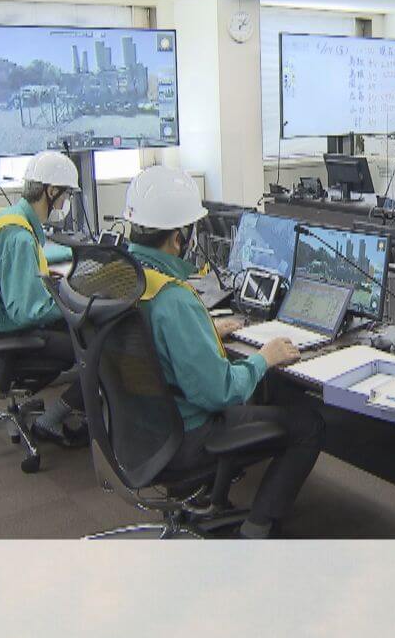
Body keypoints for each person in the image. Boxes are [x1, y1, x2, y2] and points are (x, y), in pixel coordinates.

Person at [121, 166, 323, 539]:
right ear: (179, 237)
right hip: (184, 437)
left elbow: (146, 341)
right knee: (308, 424)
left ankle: (212, 500)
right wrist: (266, 356)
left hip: (138, 428)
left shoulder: (124, 278)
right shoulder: (174, 299)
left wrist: (202, 333)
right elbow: (220, 392)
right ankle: (255, 529)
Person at [0, 150, 86, 444]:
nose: (65, 203)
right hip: (11, 327)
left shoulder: (6, 218)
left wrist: (76, 252)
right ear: (51, 191)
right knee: (97, 346)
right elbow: (26, 312)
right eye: (65, 195)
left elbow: (35, 254)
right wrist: (72, 304)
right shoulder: (19, 237)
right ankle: (52, 420)